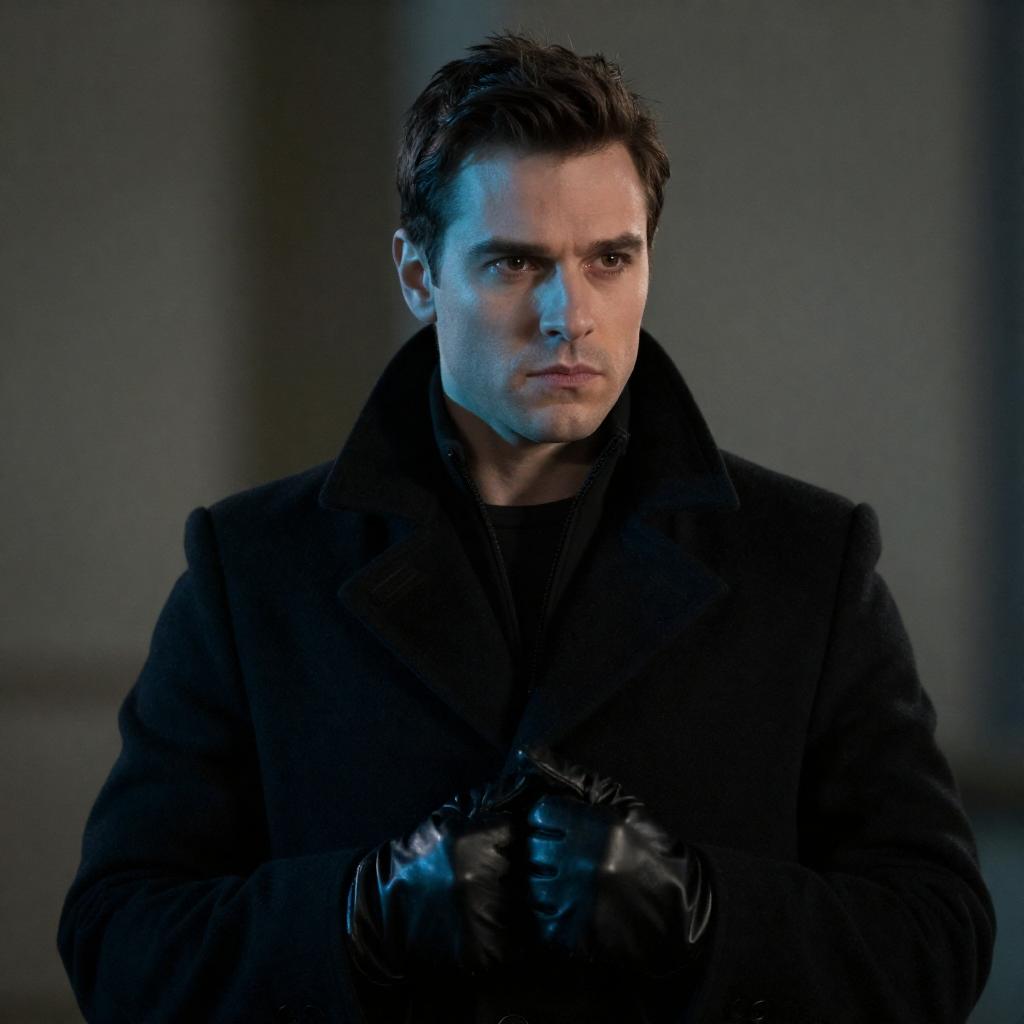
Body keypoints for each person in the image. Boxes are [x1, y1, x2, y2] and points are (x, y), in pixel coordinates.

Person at [58, 32, 995, 1024]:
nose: (569, 316)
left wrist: (705, 916)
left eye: (609, 260)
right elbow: (120, 945)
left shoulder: (806, 561)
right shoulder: (254, 569)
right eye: (514, 263)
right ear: (418, 275)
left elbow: (938, 939)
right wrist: (355, 920)